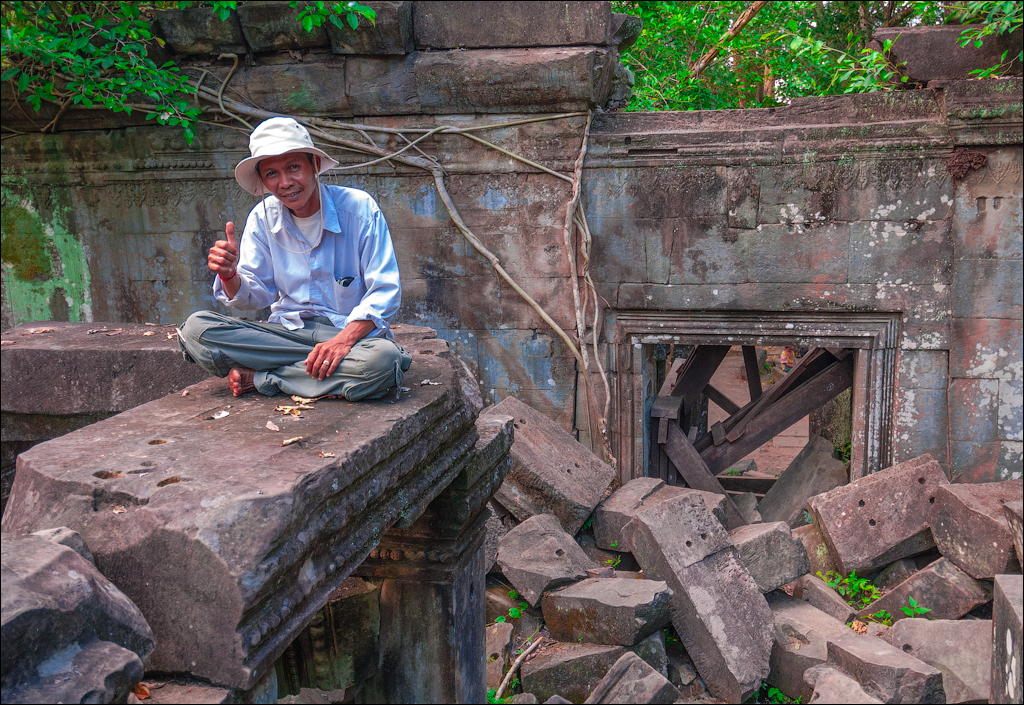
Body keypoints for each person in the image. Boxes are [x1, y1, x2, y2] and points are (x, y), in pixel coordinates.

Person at [177, 117, 411, 400]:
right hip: (286, 334)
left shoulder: (359, 210)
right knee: (196, 330)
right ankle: (316, 375)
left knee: (381, 362)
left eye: (293, 167)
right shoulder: (262, 219)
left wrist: (341, 342)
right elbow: (255, 297)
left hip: (347, 333)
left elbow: (384, 292)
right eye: (272, 174)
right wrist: (229, 275)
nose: (285, 183)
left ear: (314, 164)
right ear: (262, 180)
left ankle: (266, 377)